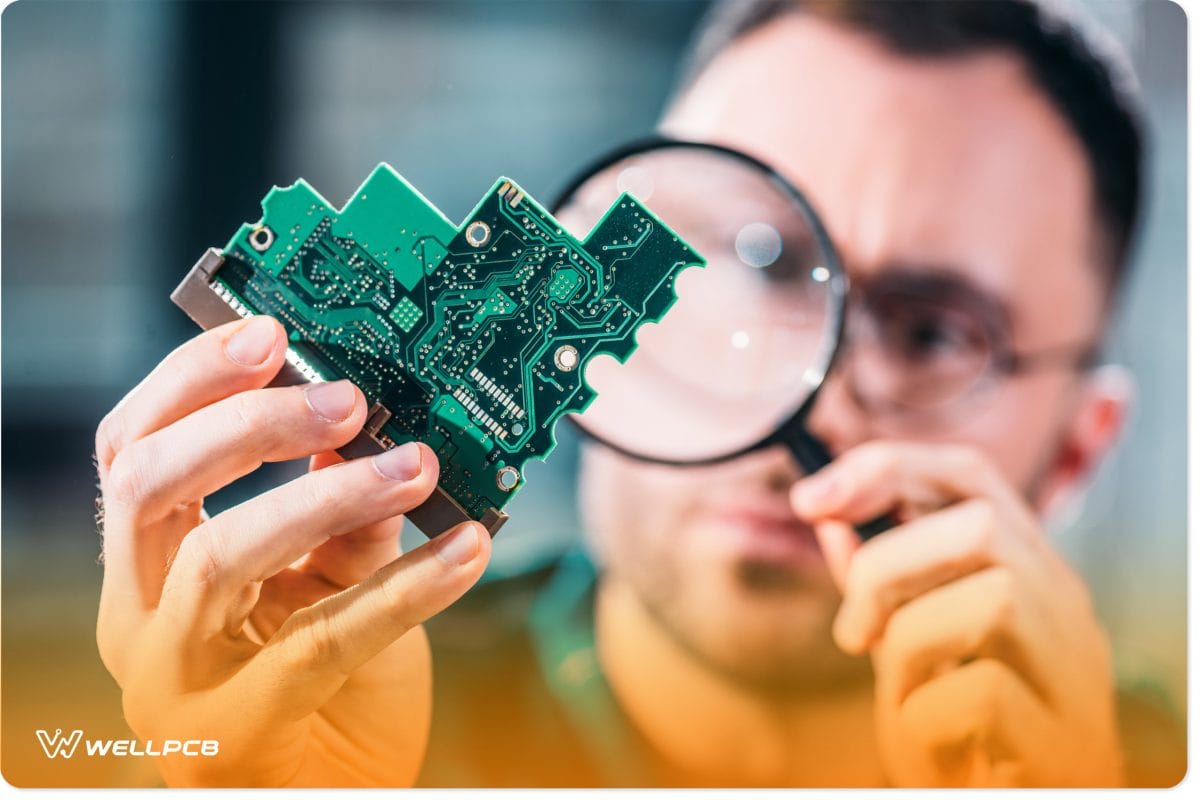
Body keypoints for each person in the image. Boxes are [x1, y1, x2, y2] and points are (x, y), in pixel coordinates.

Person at [92, 0, 1182, 788]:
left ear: (1078, 452)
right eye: (752, 261)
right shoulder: (321, 712)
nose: (822, 397)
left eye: (936, 330)